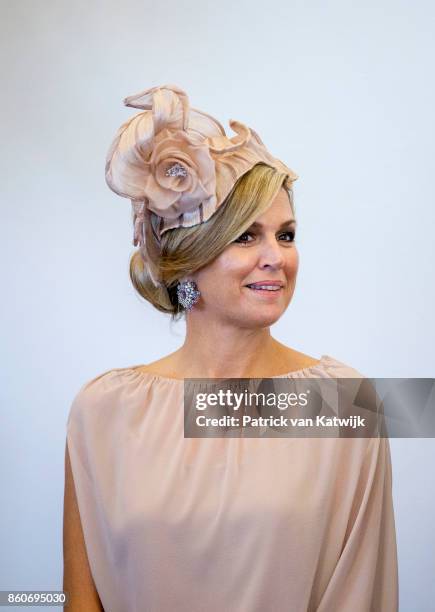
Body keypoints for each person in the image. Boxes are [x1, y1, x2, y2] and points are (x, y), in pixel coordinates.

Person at [63, 84, 399, 611]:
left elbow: (363, 592)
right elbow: (81, 600)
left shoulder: (344, 403)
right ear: (189, 257)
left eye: (286, 235)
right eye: (246, 237)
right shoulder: (104, 409)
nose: (276, 258)